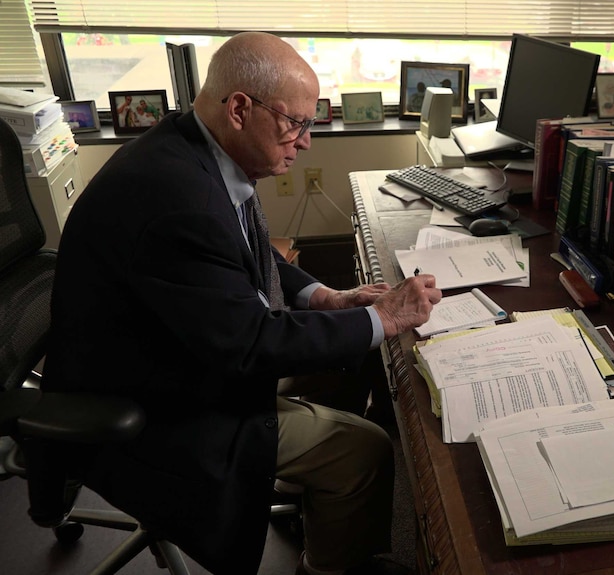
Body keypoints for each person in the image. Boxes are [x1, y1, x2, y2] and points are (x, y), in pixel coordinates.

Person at [42, 31, 441, 575]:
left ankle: (315, 498)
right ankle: (329, 565)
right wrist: (384, 316)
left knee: (351, 352)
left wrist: (324, 296)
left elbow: (247, 253)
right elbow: (251, 344)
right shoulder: (180, 203)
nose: (305, 142)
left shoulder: (193, 149)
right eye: (295, 123)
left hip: (178, 352)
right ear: (238, 109)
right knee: (364, 450)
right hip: (158, 406)